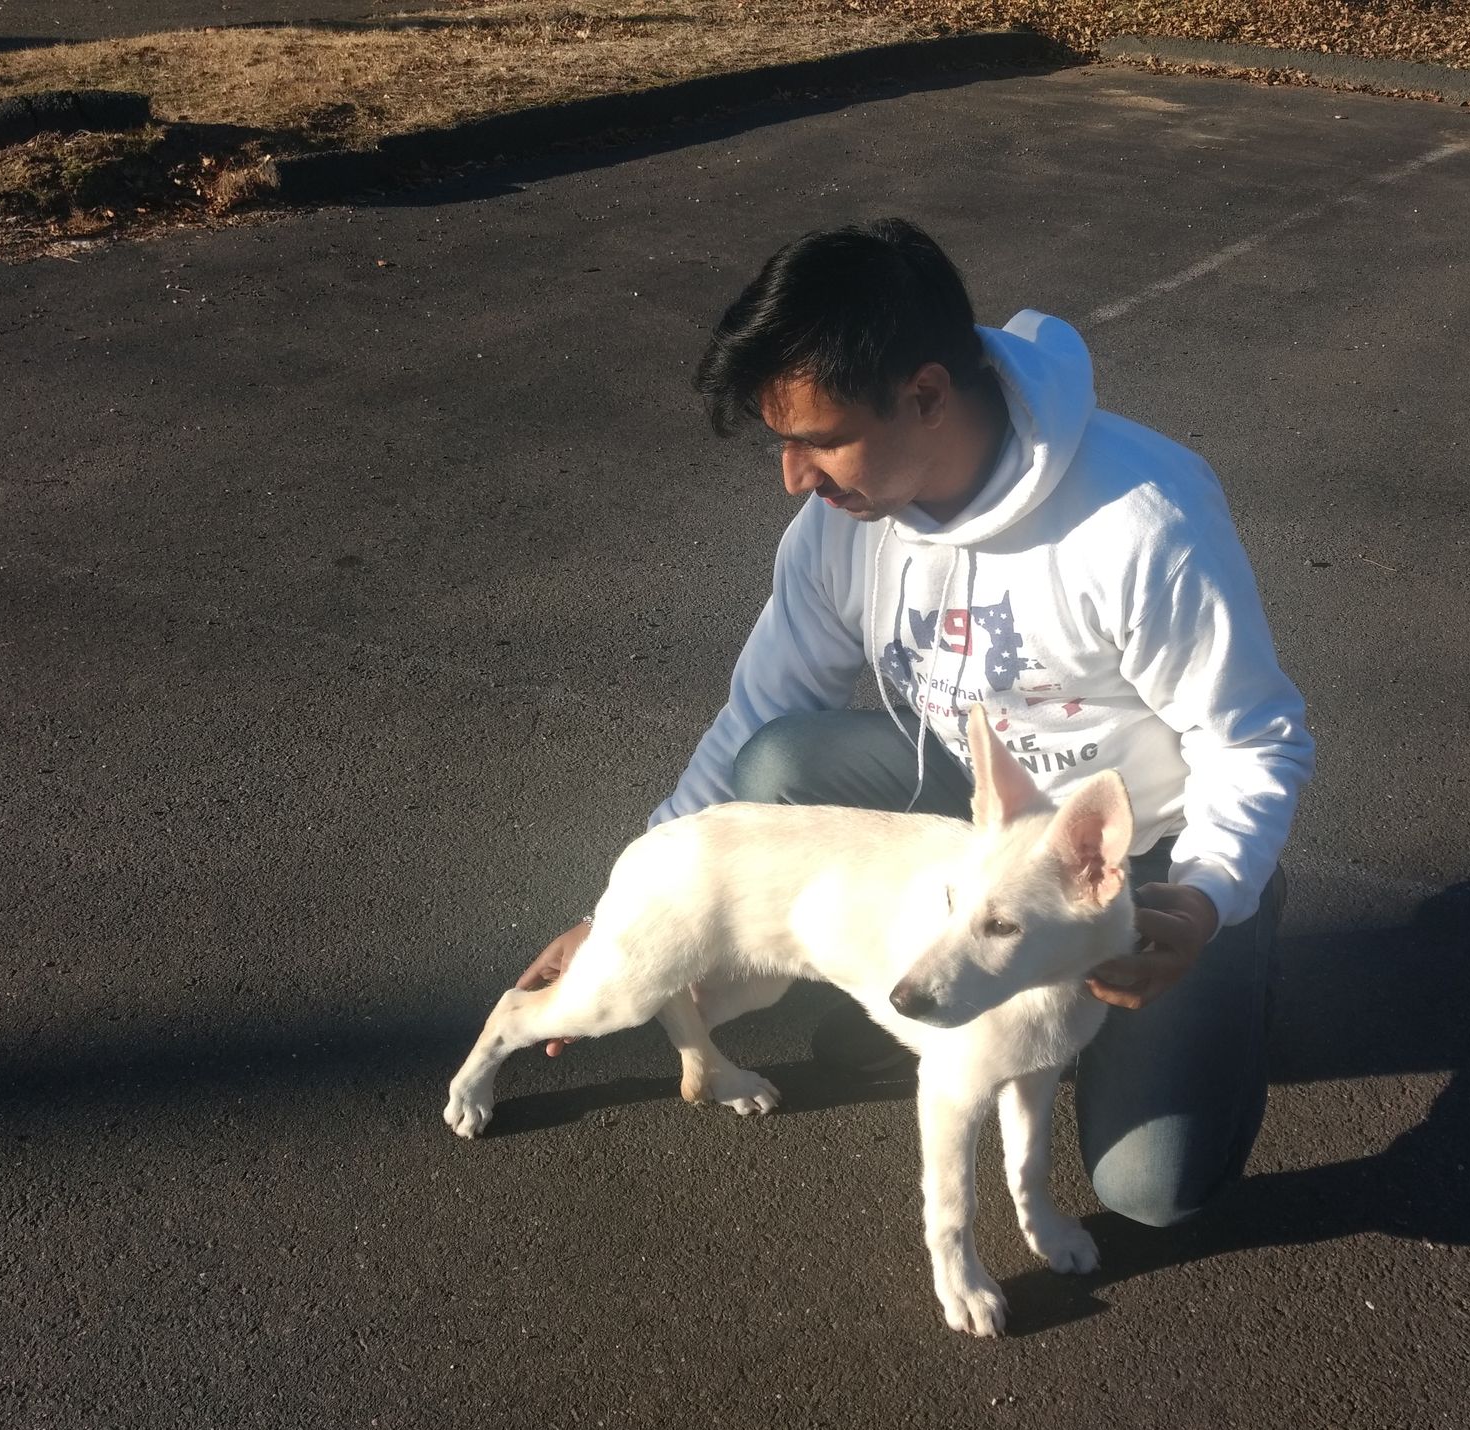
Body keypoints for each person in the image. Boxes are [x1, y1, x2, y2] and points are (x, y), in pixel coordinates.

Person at [518, 218, 1314, 1229]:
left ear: (928, 394)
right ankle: (905, 984)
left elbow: (1254, 740)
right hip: (969, 827)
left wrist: (1208, 898)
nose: (795, 477)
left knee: (1149, 1189)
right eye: (782, 443)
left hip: (1140, 864)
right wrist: (615, 910)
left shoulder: (1139, 521)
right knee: (780, 760)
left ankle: (1233, 941)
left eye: (817, 440)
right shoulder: (839, 530)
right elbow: (763, 707)